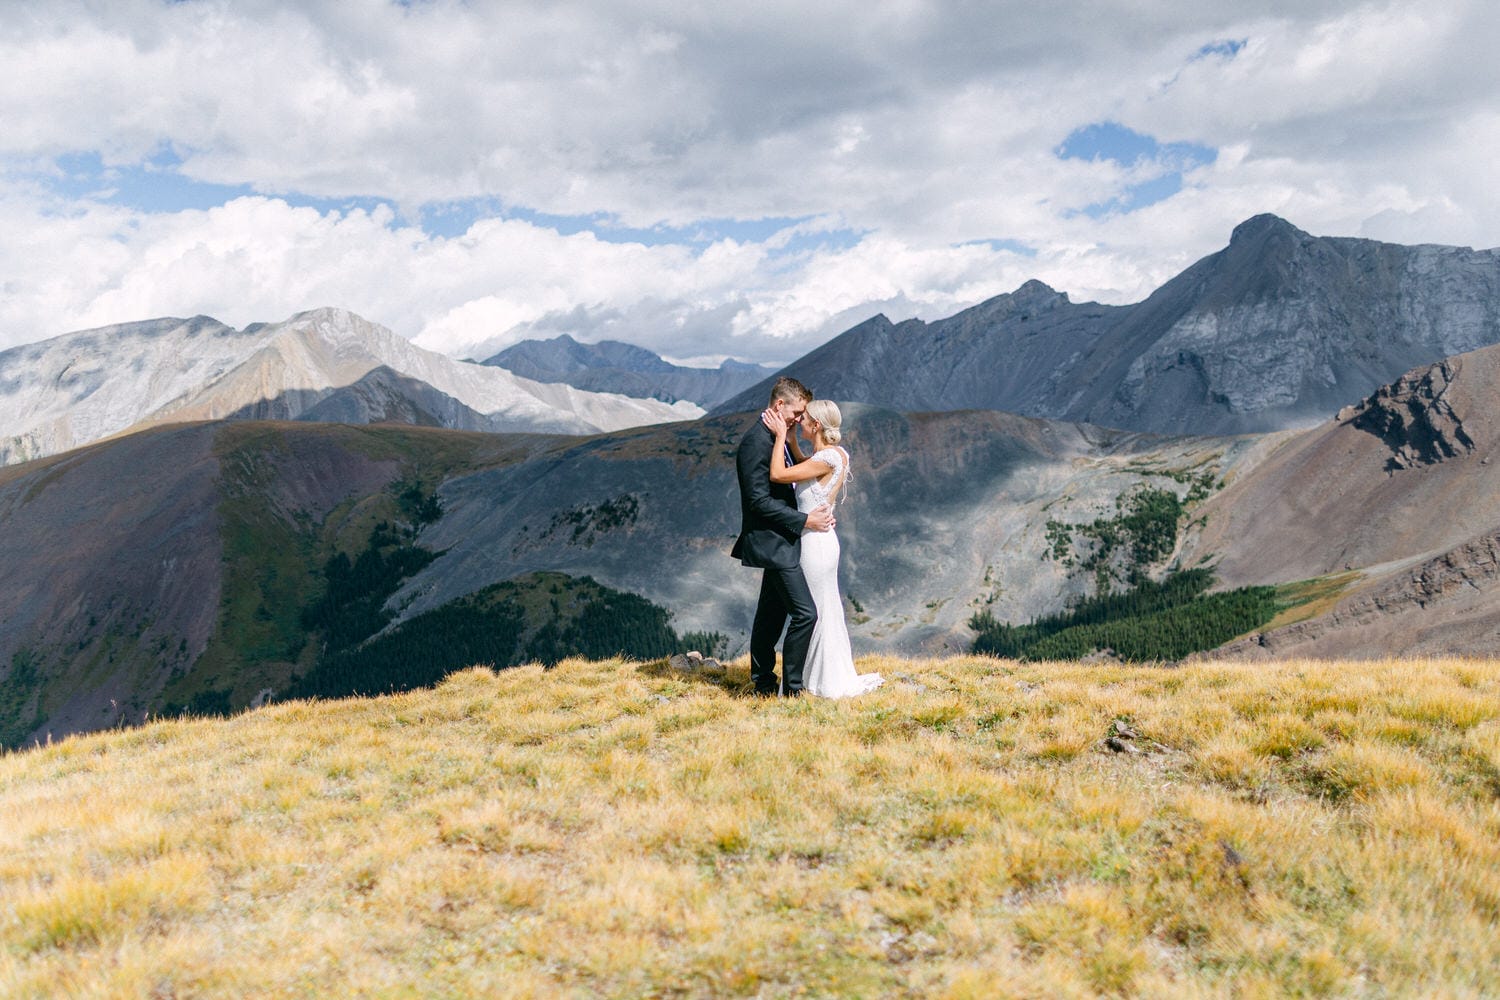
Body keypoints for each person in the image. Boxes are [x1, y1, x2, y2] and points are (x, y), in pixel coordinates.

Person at [763, 399, 883, 698]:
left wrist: (779, 437)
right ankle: (818, 675)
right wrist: (791, 440)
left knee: (811, 610)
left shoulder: (824, 459)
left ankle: (815, 680)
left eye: (803, 419)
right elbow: (808, 467)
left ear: (815, 425)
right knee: (824, 608)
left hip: (814, 543)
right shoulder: (835, 454)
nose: (799, 421)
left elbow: (778, 474)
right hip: (823, 540)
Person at [730, 377, 834, 697]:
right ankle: (791, 690)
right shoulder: (756, 442)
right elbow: (757, 502)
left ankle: (762, 684)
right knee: (806, 614)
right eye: (797, 412)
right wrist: (805, 521)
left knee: (769, 619)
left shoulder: (776, 437)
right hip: (773, 542)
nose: (799, 419)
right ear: (780, 406)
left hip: (783, 541)